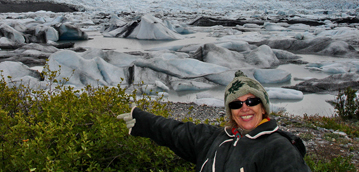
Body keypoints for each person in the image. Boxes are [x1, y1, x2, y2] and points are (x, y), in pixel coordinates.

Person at [117, 70, 311, 172]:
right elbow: (173, 131)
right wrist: (140, 120)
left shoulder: (278, 149)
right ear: (229, 111)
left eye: (251, 101)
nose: (244, 108)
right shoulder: (215, 139)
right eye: (236, 104)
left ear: (263, 107)